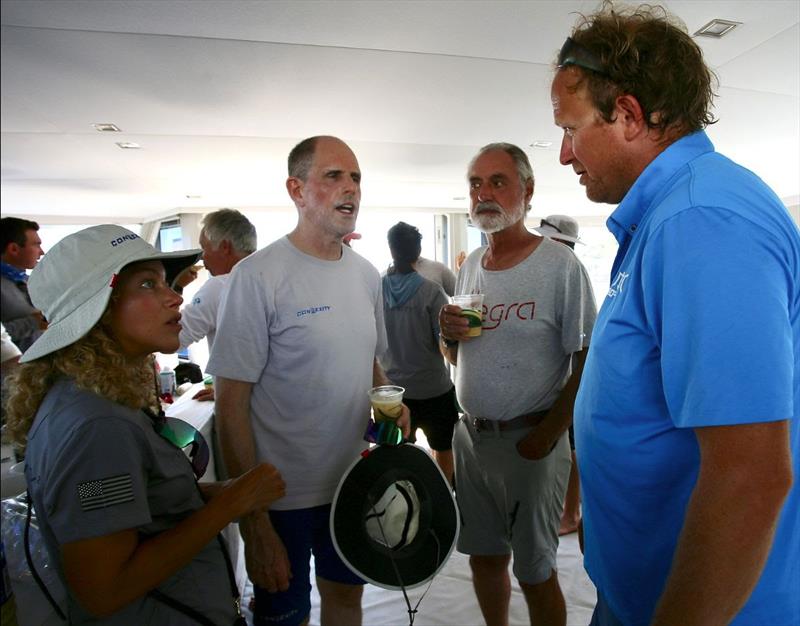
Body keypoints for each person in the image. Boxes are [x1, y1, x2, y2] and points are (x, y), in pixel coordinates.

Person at [551, 4, 800, 626]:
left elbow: (751, 476)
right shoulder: (668, 216)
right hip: (639, 589)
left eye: (571, 128)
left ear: (630, 116)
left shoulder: (702, 221)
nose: (562, 153)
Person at [4, 224, 285, 625]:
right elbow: (104, 589)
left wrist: (216, 493)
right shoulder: (95, 428)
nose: (175, 297)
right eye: (149, 284)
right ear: (98, 310)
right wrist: (229, 506)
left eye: (166, 282)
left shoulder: (93, 400)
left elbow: (135, 509)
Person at [207, 135, 409, 626]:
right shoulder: (258, 276)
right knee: (284, 613)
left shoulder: (365, 275)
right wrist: (253, 521)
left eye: (356, 177)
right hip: (280, 497)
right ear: (296, 190)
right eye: (333, 176)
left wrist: (390, 403)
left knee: (346, 601)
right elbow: (230, 403)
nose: (351, 189)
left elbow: (371, 364)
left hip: (351, 484)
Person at [438, 142, 597, 626]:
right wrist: (448, 337)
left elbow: (588, 358)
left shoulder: (559, 267)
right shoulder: (470, 267)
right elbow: (460, 358)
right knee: (484, 559)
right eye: (475, 183)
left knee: (535, 571)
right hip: (471, 439)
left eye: (498, 181)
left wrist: (547, 436)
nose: (484, 193)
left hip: (530, 443)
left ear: (527, 191)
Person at [380, 221, 459, 483]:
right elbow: (444, 343)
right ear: (418, 252)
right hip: (433, 389)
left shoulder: (375, 290)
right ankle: (445, 496)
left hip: (392, 392)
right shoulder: (431, 292)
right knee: (444, 447)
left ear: (391, 250)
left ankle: (403, 500)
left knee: (394, 452)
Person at [535, 214, 586, 536]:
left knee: (571, 450)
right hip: (553, 382)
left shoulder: (572, 274)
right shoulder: (548, 274)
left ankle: (571, 513)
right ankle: (563, 510)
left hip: (569, 383)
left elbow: (582, 343)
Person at [178, 209, 257, 401]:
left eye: (204, 249)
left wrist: (176, 285)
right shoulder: (275, 279)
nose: (202, 258)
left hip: (240, 409)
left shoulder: (220, 286)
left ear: (224, 247)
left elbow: (175, 339)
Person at [1, 217, 46, 352]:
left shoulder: (30, 281)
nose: (42, 252)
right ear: (14, 249)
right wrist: (33, 323)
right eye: (36, 244)